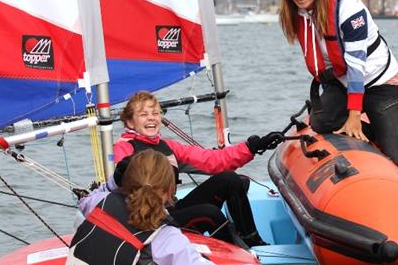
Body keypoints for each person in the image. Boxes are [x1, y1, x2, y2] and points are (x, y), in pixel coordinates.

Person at [61, 150, 275, 265]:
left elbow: (87, 199)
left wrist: (112, 183)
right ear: (168, 190)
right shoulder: (166, 237)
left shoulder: (101, 201)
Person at [278, 0, 398, 182]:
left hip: (379, 81)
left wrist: (354, 116)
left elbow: (356, 67)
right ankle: (371, 138)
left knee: (397, 158)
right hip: (342, 82)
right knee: (320, 122)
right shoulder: (301, 13)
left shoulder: (350, 11)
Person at [115, 91, 283, 247]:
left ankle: (252, 242)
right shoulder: (123, 148)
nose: (151, 119)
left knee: (230, 179)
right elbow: (118, 183)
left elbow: (213, 160)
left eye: (155, 113)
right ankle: (239, 259)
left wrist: (252, 147)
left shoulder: (168, 146)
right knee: (210, 213)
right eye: (144, 115)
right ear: (130, 121)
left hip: (171, 210)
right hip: (151, 223)